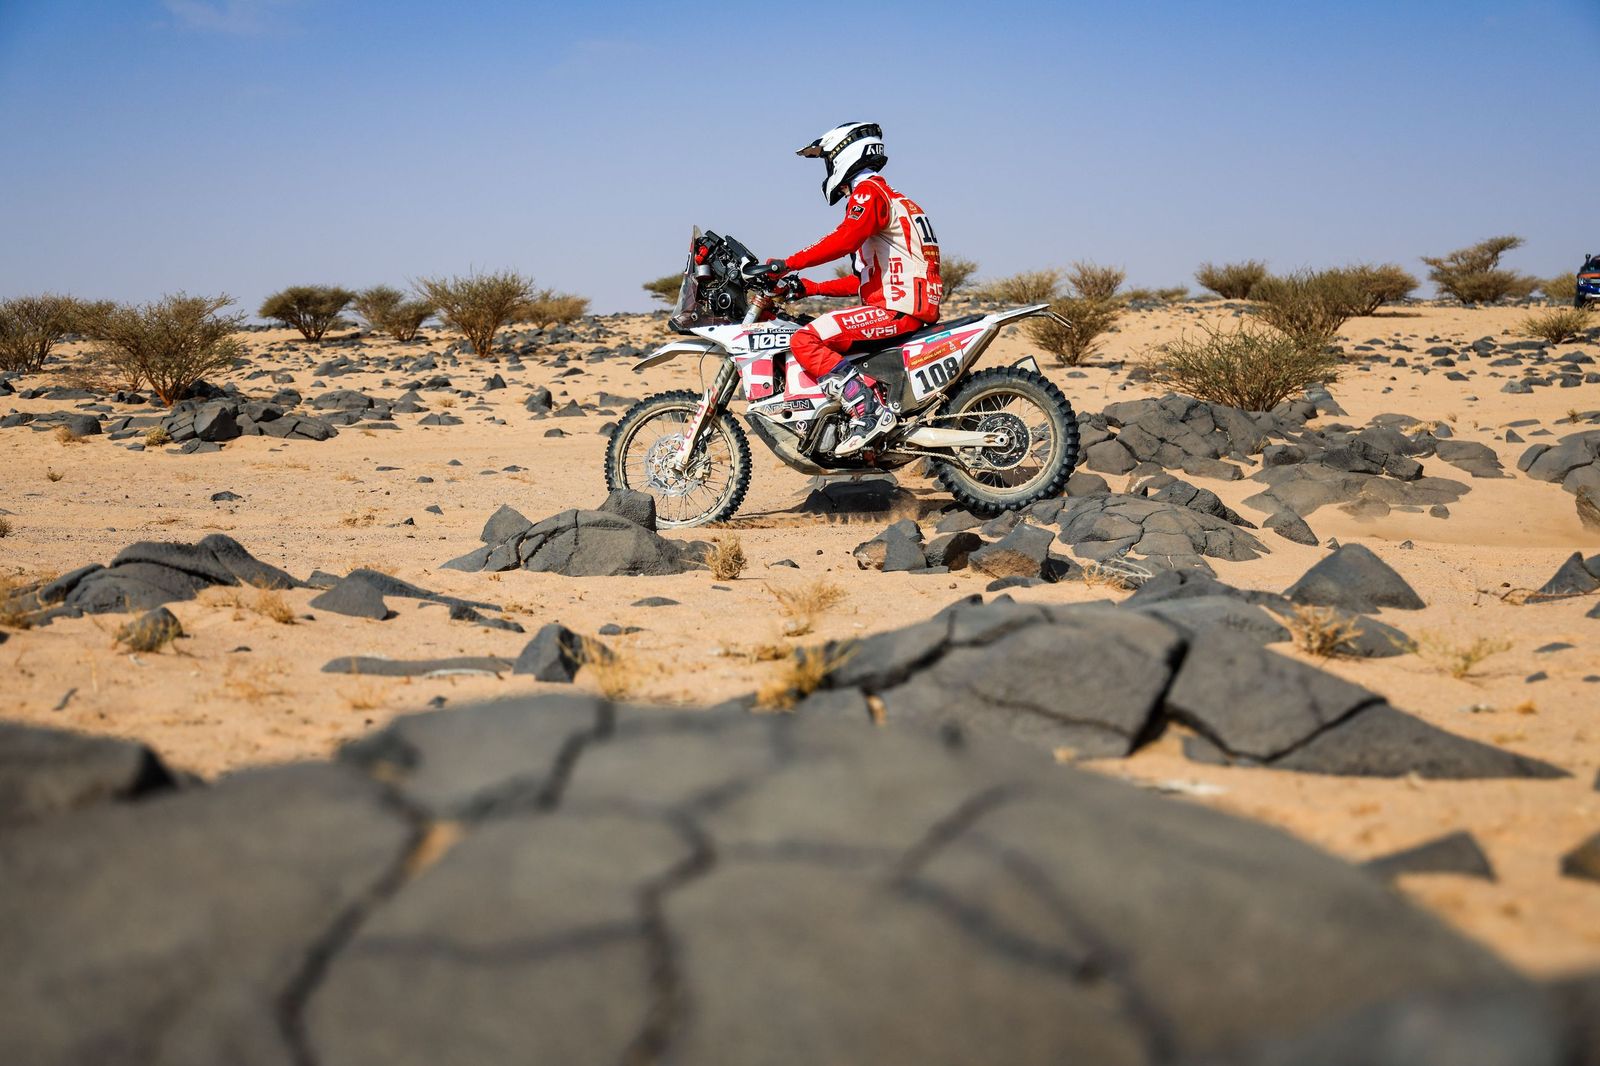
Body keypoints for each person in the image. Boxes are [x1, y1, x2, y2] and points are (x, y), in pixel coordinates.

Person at [759, 122, 943, 455]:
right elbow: (863, 280)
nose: (828, 170)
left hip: (896, 309)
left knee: (806, 339)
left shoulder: (869, 192)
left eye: (828, 160)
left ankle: (867, 411)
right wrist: (810, 288)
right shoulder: (897, 200)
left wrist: (788, 262)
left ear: (845, 154)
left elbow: (845, 239)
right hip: (903, 304)